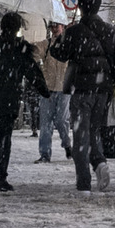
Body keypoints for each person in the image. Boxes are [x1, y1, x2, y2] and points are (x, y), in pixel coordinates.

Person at [49, 0, 115, 195]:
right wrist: (110, 77)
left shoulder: (75, 32)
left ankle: (84, 183)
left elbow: (59, 53)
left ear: (80, 7)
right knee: (94, 131)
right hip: (103, 90)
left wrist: (61, 36)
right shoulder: (111, 31)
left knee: (80, 135)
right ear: (99, 7)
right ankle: (100, 163)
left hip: (82, 88)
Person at [0, 13, 49, 192]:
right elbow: (32, 72)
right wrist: (44, 90)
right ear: (18, 28)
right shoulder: (21, 48)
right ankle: (1, 176)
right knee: (4, 138)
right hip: (8, 98)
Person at [34, 27, 73, 163]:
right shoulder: (46, 44)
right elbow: (34, 52)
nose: (55, 28)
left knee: (62, 120)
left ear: (63, 27)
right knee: (45, 123)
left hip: (64, 88)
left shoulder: (69, 44)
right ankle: (45, 153)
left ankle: (67, 144)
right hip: (48, 89)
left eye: (58, 25)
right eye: (53, 25)